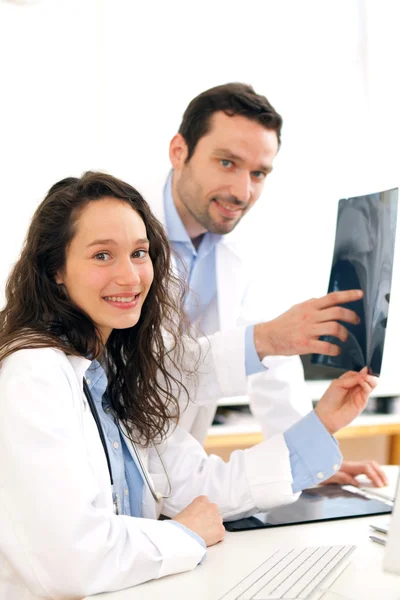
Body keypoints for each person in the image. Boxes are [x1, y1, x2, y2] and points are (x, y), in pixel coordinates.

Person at [0, 171, 377, 598]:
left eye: (139, 253)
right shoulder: (34, 374)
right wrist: (183, 535)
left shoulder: (110, 373)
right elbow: (70, 561)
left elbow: (206, 488)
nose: (129, 277)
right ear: (56, 271)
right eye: (102, 256)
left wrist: (322, 424)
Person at [149, 82, 388, 488]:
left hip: (180, 474)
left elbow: (273, 372)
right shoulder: (122, 235)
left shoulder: (239, 247)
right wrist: (267, 340)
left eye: (258, 173)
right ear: (179, 151)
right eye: (227, 163)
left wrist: (308, 459)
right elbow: (147, 369)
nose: (243, 192)